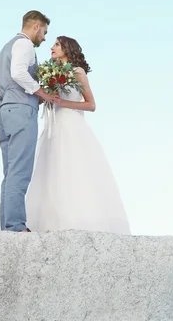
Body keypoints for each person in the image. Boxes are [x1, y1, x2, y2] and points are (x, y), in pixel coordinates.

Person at [25, 36, 131, 234]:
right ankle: (51, 224)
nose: (52, 47)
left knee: (73, 170)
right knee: (51, 171)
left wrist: (63, 103)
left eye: (56, 44)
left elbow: (91, 105)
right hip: (53, 129)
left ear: (67, 48)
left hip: (71, 125)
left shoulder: (77, 72)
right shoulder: (51, 73)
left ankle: (76, 222)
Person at [0, 10, 57, 232]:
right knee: (20, 171)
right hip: (21, 112)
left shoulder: (4, 50)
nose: (45, 38)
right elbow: (19, 72)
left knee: (9, 174)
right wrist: (41, 94)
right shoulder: (25, 45)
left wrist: (12, 97)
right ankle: (16, 226)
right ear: (36, 26)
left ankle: (7, 226)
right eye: (45, 32)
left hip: (4, 112)